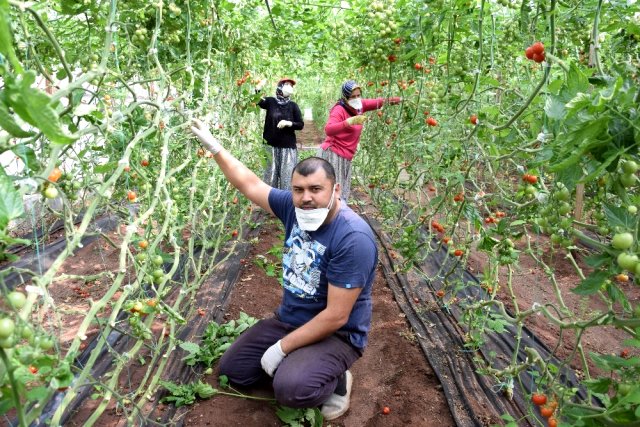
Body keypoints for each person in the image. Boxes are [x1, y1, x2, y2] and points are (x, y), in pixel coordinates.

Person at [190, 119, 378, 420]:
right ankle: (299, 365)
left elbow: (336, 316)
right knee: (234, 371)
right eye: (298, 189)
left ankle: (336, 379)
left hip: (336, 334)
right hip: (290, 320)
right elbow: (250, 183)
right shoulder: (294, 208)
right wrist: (216, 148)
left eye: (316, 189)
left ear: (336, 189)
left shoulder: (353, 239)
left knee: (291, 390)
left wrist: (280, 348)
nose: (306, 198)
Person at [318, 80, 401, 202]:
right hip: (333, 154)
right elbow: (329, 130)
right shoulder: (339, 110)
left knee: (340, 192)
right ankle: (329, 219)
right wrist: (348, 122)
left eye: (358, 95)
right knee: (332, 194)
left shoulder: (359, 106)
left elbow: (379, 102)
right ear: (345, 97)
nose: (356, 99)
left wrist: (400, 99)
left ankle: (336, 217)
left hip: (346, 157)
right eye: (352, 96)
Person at [257, 78, 304, 190]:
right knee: (270, 178)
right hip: (270, 147)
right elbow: (259, 102)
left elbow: (300, 124)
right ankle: (269, 205)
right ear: (280, 86)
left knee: (287, 179)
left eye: (291, 86)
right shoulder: (270, 102)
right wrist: (258, 88)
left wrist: (289, 123)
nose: (290, 87)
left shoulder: (293, 106)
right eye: (287, 84)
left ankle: (285, 205)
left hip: (287, 148)